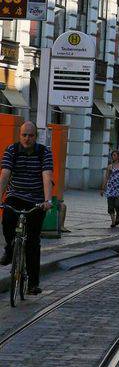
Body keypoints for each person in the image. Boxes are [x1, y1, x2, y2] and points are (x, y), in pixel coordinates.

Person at [0, 120, 53, 295]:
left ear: (35, 136)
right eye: (24, 135)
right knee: (7, 218)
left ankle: (32, 283)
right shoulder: (12, 150)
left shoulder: (44, 152)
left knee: (32, 242)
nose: (27, 138)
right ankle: (9, 248)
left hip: (36, 200)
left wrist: (47, 200)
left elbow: (47, 176)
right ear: (19, 135)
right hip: (15, 196)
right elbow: (5, 175)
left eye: (31, 135)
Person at [100, 149, 119, 227]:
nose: (113, 157)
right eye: (112, 155)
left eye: (114, 155)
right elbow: (106, 177)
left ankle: (118, 214)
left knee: (118, 204)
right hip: (110, 188)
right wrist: (103, 188)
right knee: (110, 205)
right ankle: (113, 221)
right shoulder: (109, 166)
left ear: (118, 157)